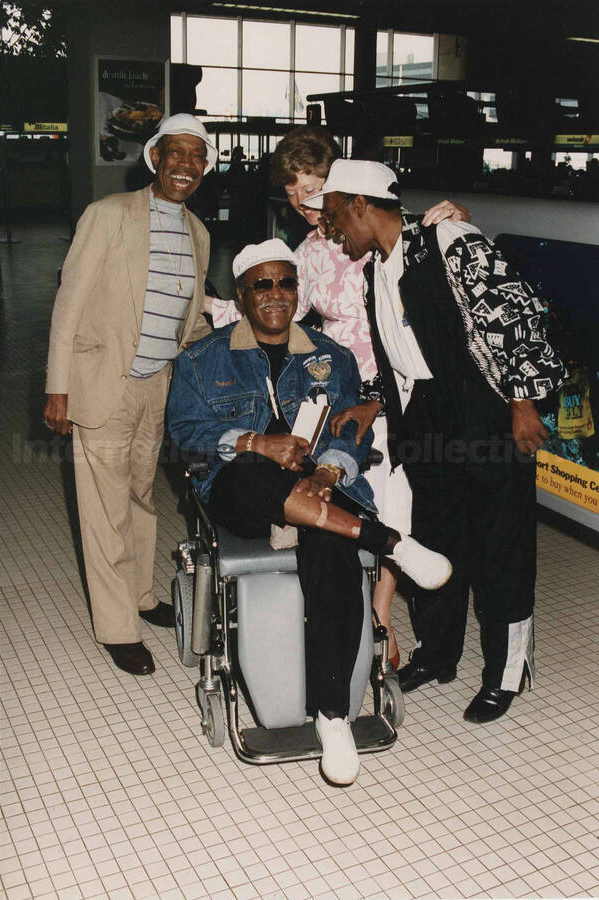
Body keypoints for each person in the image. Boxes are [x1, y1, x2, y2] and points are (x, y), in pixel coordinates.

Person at [167, 238, 451, 785]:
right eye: (262, 284)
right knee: (252, 474)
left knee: (333, 551)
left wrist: (327, 471)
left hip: (317, 495)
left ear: (299, 291)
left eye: (286, 283)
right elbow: (184, 436)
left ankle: (333, 717)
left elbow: (350, 428)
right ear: (243, 295)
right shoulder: (202, 360)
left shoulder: (332, 356)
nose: (276, 294)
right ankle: (388, 541)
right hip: (240, 488)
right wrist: (253, 442)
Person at [303, 159, 567, 723]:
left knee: (502, 542)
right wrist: (375, 396)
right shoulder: (377, 263)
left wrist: (522, 402)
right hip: (424, 415)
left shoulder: (450, 239)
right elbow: (401, 350)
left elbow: (518, 321)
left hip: (484, 408)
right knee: (437, 534)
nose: (329, 230)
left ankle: (507, 672)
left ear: (359, 205)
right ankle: (439, 652)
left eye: (332, 218)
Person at [209, 126, 469, 669]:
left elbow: (427, 247)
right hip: (338, 382)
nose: (306, 204)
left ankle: (383, 615)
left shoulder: (373, 225)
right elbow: (277, 302)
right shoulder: (305, 251)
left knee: (400, 493)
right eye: (294, 194)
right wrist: (212, 310)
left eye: (314, 188)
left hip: (398, 379)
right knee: (347, 481)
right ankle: (359, 605)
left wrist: (452, 216)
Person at [43, 114, 217, 677]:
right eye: (176, 153)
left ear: (205, 167)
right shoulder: (108, 215)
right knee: (103, 509)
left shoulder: (200, 235)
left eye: (197, 156)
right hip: (102, 382)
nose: (185, 165)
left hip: (156, 388)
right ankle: (118, 627)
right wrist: (57, 388)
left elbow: (188, 327)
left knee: (142, 498)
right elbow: (68, 305)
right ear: (155, 158)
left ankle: (142, 594)